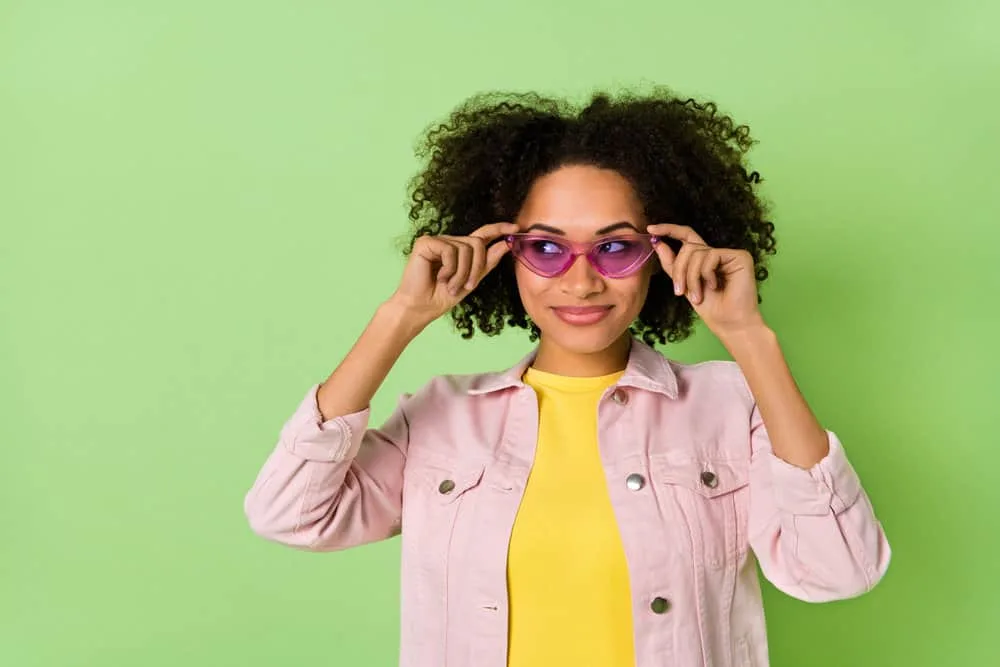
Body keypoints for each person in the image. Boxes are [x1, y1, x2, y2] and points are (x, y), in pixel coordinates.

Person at [244, 89, 891, 667]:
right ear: (508, 257)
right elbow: (289, 513)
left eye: (614, 246)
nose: (580, 280)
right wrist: (399, 317)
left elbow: (839, 569)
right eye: (547, 248)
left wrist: (750, 336)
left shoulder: (728, 406)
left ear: (660, 255)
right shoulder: (442, 418)